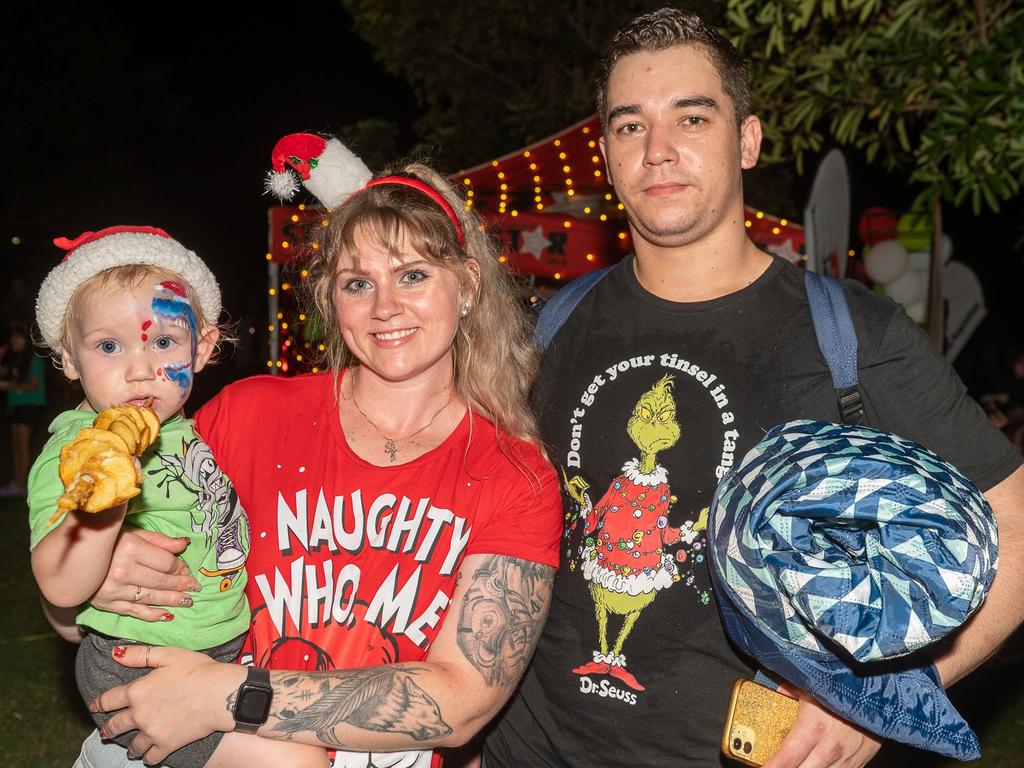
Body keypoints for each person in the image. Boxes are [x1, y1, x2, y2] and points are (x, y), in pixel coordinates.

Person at [482, 8, 1024, 768]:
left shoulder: (851, 335)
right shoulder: (547, 329)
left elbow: (1015, 522)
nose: (659, 151)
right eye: (631, 126)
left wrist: (889, 699)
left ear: (747, 140)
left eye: (692, 118)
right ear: (605, 152)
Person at [77, 163, 562, 767]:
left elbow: (461, 702)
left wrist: (229, 697)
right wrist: (100, 554)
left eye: (413, 275)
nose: (385, 307)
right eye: (358, 283)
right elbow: (80, 617)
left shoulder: (513, 471)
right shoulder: (249, 414)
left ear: (467, 285)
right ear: (331, 298)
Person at [28, 226, 328, 767]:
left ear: (203, 347)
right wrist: (106, 503)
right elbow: (59, 583)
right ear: (69, 359)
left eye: (163, 341)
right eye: (108, 345)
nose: (140, 367)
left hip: (221, 651)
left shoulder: (188, 433)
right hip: (138, 666)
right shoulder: (79, 449)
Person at [0, 322, 46, 495]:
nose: (15, 341)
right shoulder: (13, 359)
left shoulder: (33, 359)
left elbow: (33, 385)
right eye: (13, 338)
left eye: (19, 338)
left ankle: (21, 483)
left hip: (30, 406)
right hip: (15, 405)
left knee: (23, 445)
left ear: (26, 340)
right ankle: (17, 482)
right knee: (15, 445)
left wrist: (10, 387)